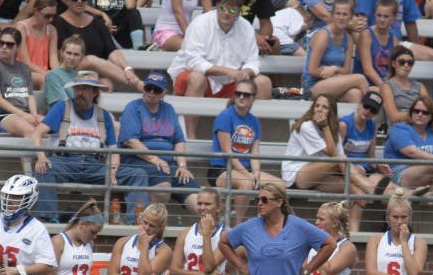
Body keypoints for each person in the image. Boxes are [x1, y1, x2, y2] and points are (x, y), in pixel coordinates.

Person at [168, 0, 273, 139]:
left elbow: (253, 61)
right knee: (197, 77)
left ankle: (252, 136)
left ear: (238, 13)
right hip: (194, 78)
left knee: (263, 82)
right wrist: (226, 71)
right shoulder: (200, 23)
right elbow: (194, 61)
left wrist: (247, 72)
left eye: (231, 10)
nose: (226, 13)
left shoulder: (246, 28)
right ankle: (190, 136)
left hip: (231, 82)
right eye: (222, 8)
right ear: (216, 7)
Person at [31, 70, 117, 222]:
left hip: (95, 165)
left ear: (95, 93)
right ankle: (49, 219)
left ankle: (135, 221)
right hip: (65, 161)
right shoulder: (62, 107)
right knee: (43, 170)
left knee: (135, 174)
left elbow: (113, 149)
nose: (80, 93)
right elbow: (37, 133)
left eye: (85, 89)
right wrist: (41, 157)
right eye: (77, 88)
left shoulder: (104, 115)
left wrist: (113, 170)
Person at [117, 71, 199, 219]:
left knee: (200, 199)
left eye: (157, 90)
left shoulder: (169, 109)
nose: (152, 93)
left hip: (168, 163)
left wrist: (182, 165)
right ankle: (152, 229)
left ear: (164, 93)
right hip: (139, 160)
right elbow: (130, 140)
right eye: (148, 88)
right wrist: (154, 159)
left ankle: (213, 234)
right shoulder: (133, 107)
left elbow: (179, 140)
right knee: (163, 187)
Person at [283, 93, 383, 203]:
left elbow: (339, 155)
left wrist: (353, 167)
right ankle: (371, 188)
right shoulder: (307, 126)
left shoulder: (334, 128)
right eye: (317, 106)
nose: (319, 110)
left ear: (331, 111)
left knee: (355, 190)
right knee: (340, 160)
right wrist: (325, 126)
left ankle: (353, 219)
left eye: (325, 107)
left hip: (318, 176)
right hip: (296, 177)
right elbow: (333, 155)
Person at [209, 78, 284, 225]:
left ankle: (262, 222)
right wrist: (247, 175)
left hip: (245, 169)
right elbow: (227, 153)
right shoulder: (226, 116)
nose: (241, 97)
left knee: (279, 185)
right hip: (222, 169)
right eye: (238, 93)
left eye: (246, 94)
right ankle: (238, 224)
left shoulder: (254, 121)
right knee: (246, 183)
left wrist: (255, 173)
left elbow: (254, 153)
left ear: (253, 98)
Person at [384, 97, 433, 234]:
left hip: (428, 177)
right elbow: (411, 151)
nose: (419, 114)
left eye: (424, 112)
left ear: (431, 116)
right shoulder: (400, 128)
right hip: (401, 175)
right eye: (416, 111)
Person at [53, 0, 142, 92]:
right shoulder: (58, 22)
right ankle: (139, 85)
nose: (79, 1)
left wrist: (127, 68)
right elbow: (59, 54)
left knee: (107, 85)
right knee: (91, 60)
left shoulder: (97, 23)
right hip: (70, 69)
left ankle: (94, 109)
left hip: (94, 73)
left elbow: (111, 50)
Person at [340, 90, 390, 231]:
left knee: (389, 188)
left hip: (365, 168)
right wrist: (354, 166)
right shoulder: (344, 124)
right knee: (362, 189)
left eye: (373, 110)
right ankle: (354, 232)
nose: (368, 112)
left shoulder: (372, 125)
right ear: (360, 104)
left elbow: (370, 155)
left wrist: (378, 165)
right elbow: (338, 156)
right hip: (347, 170)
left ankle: (392, 227)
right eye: (366, 106)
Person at [302, 0, 368, 102]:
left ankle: (350, 119)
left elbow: (346, 71)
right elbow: (312, 70)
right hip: (313, 84)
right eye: (338, 14)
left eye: (345, 14)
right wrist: (332, 75)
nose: (341, 18)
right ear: (332, 15)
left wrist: (334, 69)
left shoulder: (348, 38)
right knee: (360, 78)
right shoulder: (323, 35)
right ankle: (370, 115)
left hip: (335, 81)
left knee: (355, 94)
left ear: (351, 17)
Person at [0, 27, 39, 138]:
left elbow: (30, 95)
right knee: (31, 130)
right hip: (3, 114)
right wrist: (24, 115)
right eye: (1, 43)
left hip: (26, 112)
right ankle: (40, 156)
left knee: (52, 127)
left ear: (17, 47)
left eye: (9, 44)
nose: (4, 47)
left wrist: (34, 115)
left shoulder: (24, 68)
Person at [13, 0, 58, 92]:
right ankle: (41, 107)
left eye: (53, 16)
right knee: (46, 79)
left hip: (43, 72)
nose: (50, 20)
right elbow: (25, 62)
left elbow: (53, 59)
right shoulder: (22, 28)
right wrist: (49, 74)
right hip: (22, 72)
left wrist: (58, 74)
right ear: (36, 11)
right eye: (47, 16)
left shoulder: (52, 30)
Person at [380, 45, 431, 127]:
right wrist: (419, 113)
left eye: (410, 63)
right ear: (393, 63)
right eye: (402, 62)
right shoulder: (387, 86)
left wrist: (417, 114)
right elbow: (394, 116)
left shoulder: (420, 86)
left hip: (420, 128)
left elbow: (429, 109)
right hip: (400, 129)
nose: (406, 65)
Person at [44, 34, 84, 106]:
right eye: (69, 53)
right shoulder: (52, 75)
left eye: (76, 54)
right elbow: (62, 105)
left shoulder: (81, 76)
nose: (72, 58)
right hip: (63, 115)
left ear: (82, 57)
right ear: (62, 53)